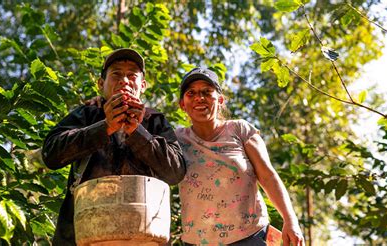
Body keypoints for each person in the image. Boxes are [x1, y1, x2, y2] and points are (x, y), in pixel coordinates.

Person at [42, 48, 186, 246]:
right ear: (102, 84)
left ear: (142, 85)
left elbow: (175, 172)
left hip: (144, 238)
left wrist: (138, 133)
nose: (124, 81)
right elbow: (51, 154)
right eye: (116, 74)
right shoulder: (87, 114)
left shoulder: (154, 120)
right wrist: (105, 127)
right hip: (86, 235)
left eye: (131, 76)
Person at [176, 67, 304, 246]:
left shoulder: (240, 130)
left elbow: (268, 176)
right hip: (196, 242)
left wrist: (290, 220)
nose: (199, 98)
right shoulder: (176, 139)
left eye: (207, 92)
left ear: (220, 100)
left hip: (250, 237)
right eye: (191, 93)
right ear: (182, 104)